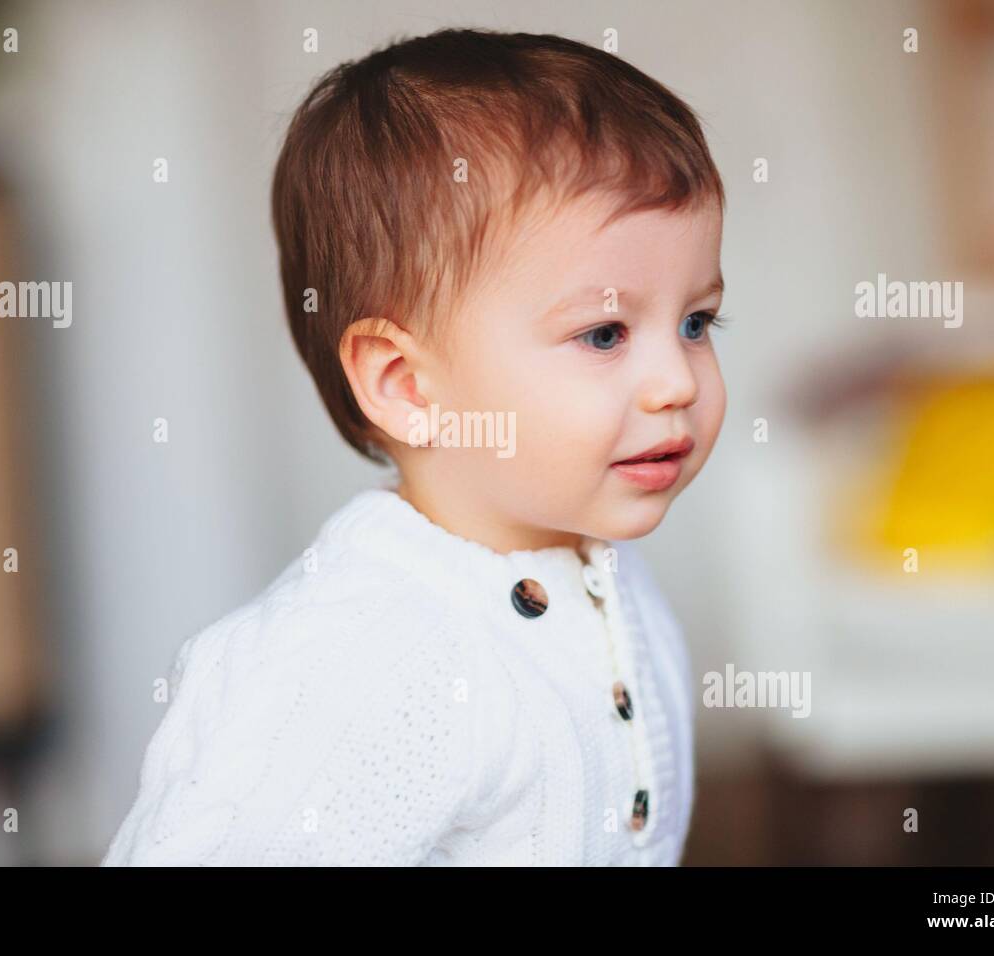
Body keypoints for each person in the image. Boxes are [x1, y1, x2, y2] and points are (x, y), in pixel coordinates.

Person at [103, 26, 727, 866]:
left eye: (696, 322)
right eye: (606, 333)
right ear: (407, 384)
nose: (677, 382)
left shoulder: (610, 576)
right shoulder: (353, 659)